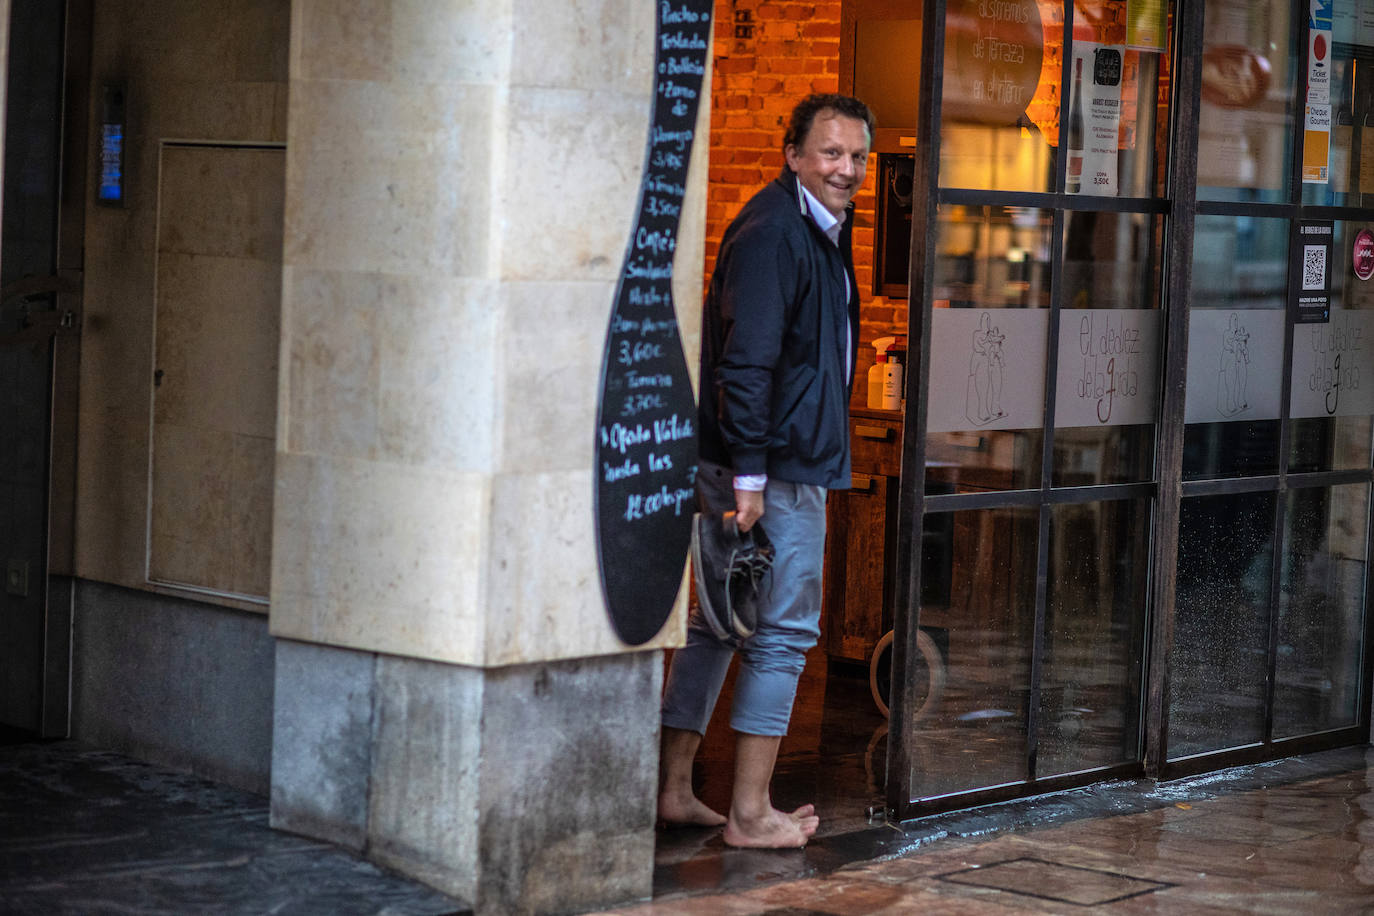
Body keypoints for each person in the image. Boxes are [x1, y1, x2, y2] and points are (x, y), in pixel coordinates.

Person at [657, 93, 873, 848]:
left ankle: (675, 789)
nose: (845, 168)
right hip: (771, 469)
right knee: (782, 633)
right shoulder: (777, 230)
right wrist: (749, 478)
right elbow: (745, 364)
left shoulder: (815, 226)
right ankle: (750, 815)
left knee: (717, 626)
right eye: (830, 153)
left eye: (856, 157)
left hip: (762, 459)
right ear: (793, 155)